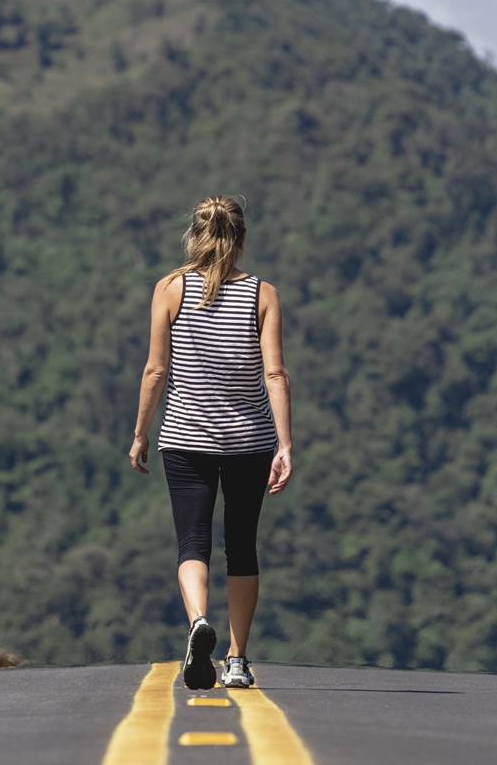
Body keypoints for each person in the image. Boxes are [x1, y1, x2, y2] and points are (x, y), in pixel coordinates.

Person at [129, 195, 293, 690]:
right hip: (250, 442)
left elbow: (156, 369)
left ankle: (199, 620)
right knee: (242, 548)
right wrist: (285, 445)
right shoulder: (262, 294)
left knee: (192, 542)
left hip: (184, 436)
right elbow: (276, 374)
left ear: (193, 238)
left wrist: (140, 433)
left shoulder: (169, 288)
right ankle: (238, 660)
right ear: (240, 240)